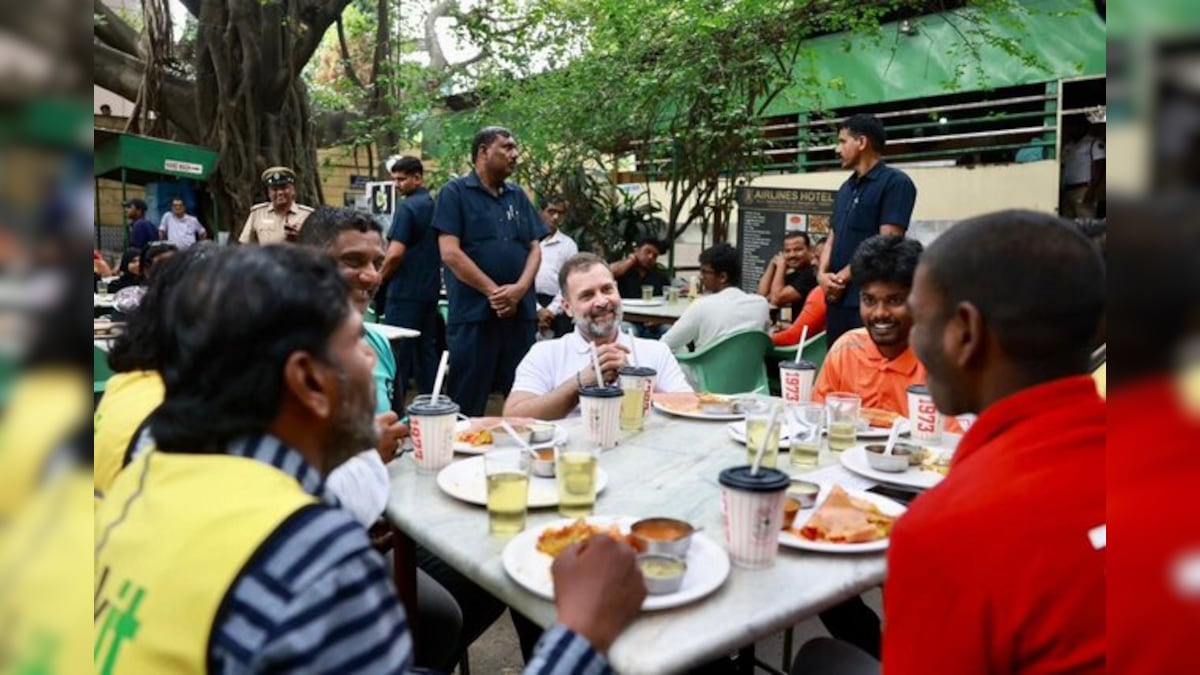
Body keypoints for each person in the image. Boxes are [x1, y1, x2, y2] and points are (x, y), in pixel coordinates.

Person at [94, 245, 645, 673]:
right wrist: (581, 636)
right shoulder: (312, 560)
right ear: (308, 380)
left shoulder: (151, 471)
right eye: (358, 341)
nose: (374, 359)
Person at [434, 126, 547, 416]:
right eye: (507, 147)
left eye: (514, 147)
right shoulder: (455, 193)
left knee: (525, 393)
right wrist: (495, 293)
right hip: (475, 316)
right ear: (484, 152)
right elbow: (450, 252)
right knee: (467, 399)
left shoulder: (517, 195)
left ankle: (523, 454)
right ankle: (459, 456)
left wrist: (519, 290)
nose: (515, 154)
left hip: (519, 316)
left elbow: (535, 248)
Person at [505, 253, 692, 420]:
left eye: (607, 290)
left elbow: (689, 407)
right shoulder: (546, 353)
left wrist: (635, 381)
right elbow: (514, 416)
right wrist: (580, 383)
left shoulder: (655, 351)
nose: (602, 302)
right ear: (567, 307)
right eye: (587, 296)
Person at [817, 114, 917, 347]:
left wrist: (840, 278)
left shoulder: (895, 183)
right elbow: (832, 237)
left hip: (867, 301)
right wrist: (821, 275)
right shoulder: (845, 188)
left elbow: (887, 241)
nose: (836, 149)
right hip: (835, 300)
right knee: (839, 366)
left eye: (842, 141)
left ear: (861, 143)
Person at [812, 235, 928, 417]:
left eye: (895, 300)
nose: (880, 313)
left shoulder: (938, 362)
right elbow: (817, 421)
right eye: (869, 300)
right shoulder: (846, 350)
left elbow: (952, 440)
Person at [380, 156, 442, 405]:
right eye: (394, 179)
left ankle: (395, 409)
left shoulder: (407, 208)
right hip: (429, 292)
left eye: (402, 179)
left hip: (404, 292)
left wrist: (378, 279)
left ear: (418, 178)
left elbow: (394, 253)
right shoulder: (433, 205)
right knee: (426, 351)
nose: (397, 184)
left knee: (399, 354)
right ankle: (431, 405)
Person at [661, 243, 770, 353]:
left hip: (704, 369)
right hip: (751, 369)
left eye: (704, 272)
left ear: (722, 277)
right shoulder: (760, 304)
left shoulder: (702, 305)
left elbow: (666, 344)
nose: (701, 277)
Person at [534, 194, 578, 339]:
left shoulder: (568, 245)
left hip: (559, 306)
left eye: (560, 213)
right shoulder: (528, 242)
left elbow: (570, 281)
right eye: (551, 211)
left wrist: (551, 311)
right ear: (541, 212)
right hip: (530, 303)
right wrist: (538, 309)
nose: (555, 217)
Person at [238, 166, 315, 244]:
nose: (280, 193)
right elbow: (245, 245)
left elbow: (318, 248)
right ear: (269, 193)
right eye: (275, 189)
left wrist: (301, 237)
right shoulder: (258, 213)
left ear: (293, 190)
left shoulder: (308, 215)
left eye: (284, 188)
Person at [756, 230, 817, 319]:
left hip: (810, 331)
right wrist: (772, 265)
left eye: (798, 250)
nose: (792, 255)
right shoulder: (797, 274)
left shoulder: (813, 273)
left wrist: (781, 267)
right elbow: (762, 297)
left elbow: (777, 298)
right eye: (787, 251)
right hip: (799, 329)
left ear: (810, 249)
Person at [1059, 114, 1105, 219]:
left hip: (1083, 190)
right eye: (1070, 126)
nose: (1071, 129)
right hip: (1067, 191)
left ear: (1083, 127)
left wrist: (1091, 190)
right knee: (1068, 225)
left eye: (1075, 125)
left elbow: (1099, 166)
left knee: (1086, 223)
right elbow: (1062, 167)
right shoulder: (1068, 146)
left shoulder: (1093, 143)